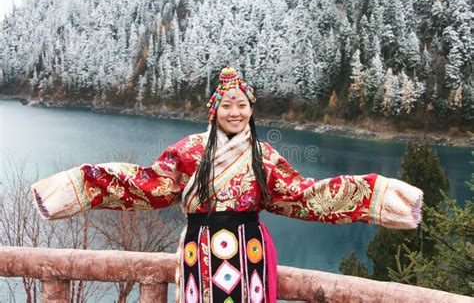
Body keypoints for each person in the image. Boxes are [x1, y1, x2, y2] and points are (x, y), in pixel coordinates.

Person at [31, 67, 423, 303]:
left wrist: (377, 195)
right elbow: (148, 186)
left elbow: (304, 197)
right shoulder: (188, 152)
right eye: (227, 105)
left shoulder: (263, 156)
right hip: (199, 253)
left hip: (248, 254)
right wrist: (80, 185)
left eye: (243, 105)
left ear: (251, 109)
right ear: (214, 109)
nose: (235, 112)